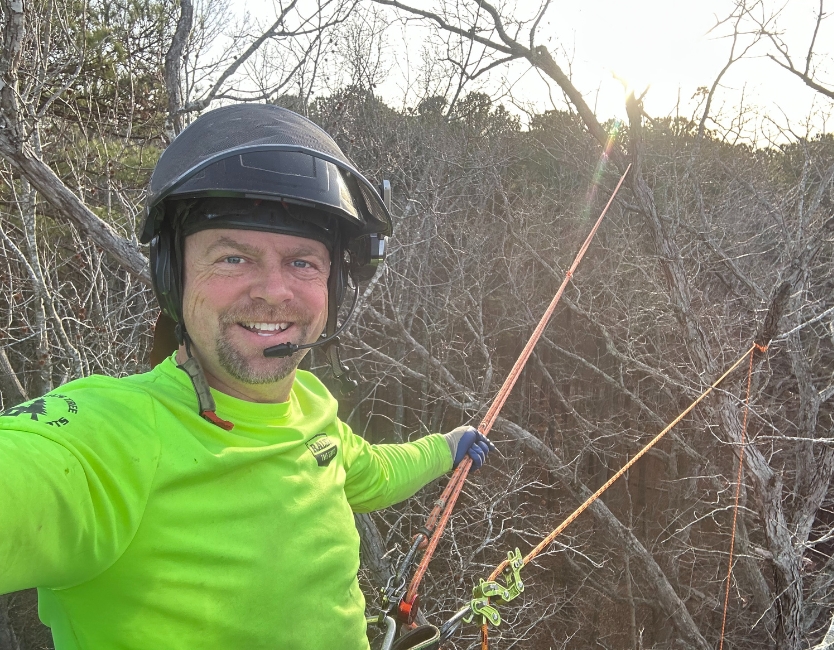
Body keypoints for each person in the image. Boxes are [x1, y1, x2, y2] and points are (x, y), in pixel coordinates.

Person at [0, 104, 493, 650]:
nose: (273, 291)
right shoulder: (113, 434)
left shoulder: (311, 403)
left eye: (303, 262)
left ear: (334, 291)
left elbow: (370, 471)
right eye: (233, 258)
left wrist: (446, 447)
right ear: (173, 275)